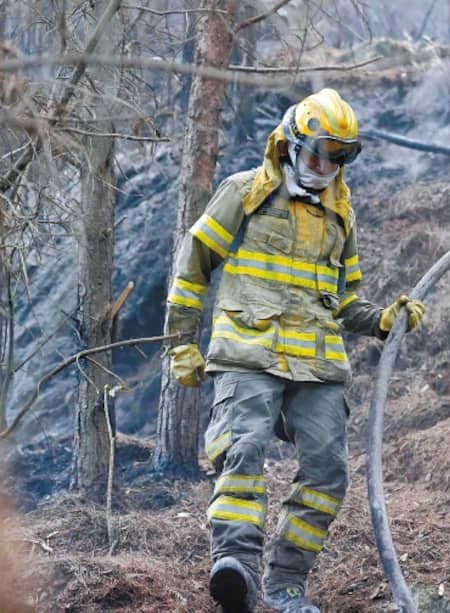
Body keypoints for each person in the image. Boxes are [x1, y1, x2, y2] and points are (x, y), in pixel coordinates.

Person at [164, 88, 425, 613]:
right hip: (248, 352)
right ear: (290, 144)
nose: (326, 167)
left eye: (339, 157)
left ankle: (286, 583)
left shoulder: (340, 215)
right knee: (242, 451)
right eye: (319, 153)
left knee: (328, 472)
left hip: (317, 365)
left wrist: (381, 320)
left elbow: (343, 300)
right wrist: (181, 346)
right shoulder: (243, 193)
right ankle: (236, 569)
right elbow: (193, 267)